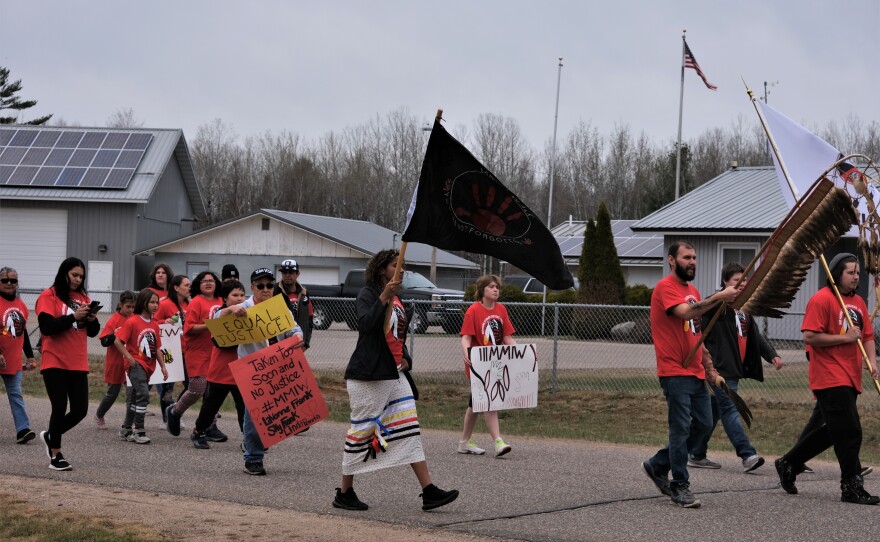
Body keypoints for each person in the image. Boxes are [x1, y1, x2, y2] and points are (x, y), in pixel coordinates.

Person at [333, 250, 458, 511]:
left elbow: (397, 336)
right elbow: (367, 326)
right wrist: (384, 296)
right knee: (362, 431)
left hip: (395, 374)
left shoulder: (398, 298)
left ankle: (429, 491)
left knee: (409, 428)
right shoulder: (367, 294)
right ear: (382, 270)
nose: (400, 269)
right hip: (369, 376)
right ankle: (344, 493)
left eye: (401, 265)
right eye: (395, 265)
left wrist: (407, 360)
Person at [774, 253, 880, 505]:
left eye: (857, 272)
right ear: (836, 275)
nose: (856, 277)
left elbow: (866, 336)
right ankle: (851, 487)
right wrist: (844, 338)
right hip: (829, 375)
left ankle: (789, 462)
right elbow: (810, 336)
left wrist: (872, 362)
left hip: (851, 374)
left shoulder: (858, 304)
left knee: (836, 431)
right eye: (850, 272)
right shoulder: (822, 299)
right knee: (851, 431)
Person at [641, 241, 739, 508]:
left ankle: (658, 464)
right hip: (674, 371)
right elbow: (685, 312)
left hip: (695, 372)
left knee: (705, 424)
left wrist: (709, 368)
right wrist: (719, 296)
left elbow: (698, 334)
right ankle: (679, 485)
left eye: (695, 257)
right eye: (687, 257)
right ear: (672, 261)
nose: (693, 261)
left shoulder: (693, 291)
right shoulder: (665, 288)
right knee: (680, 428)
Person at [689, 262, 784, 473]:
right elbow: (696, 328)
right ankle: (747, 454)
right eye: (736, 281)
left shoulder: (744, 308)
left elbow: (755, 337)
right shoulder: (716, 306)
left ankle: (696, 452)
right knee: (731, 410)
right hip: (719, 369)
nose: (741, 286)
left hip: (734, 369)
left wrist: (772, 355)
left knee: (712, 414)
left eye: (744, 282)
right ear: (725, 282)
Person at [232, 268, 303, 474]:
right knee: (253, 414)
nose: (266, 289)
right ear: (252, 287)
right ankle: (253, 459)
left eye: (269, 286)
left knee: (273, 413)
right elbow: (219, 319)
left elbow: (294, 329)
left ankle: (257, 442)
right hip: (250, 369)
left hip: (276, 369)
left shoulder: (280, 308)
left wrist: (298, 337)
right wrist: (230, 311)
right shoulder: (243, 307)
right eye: (260, 286)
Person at [36, 257, 101, 471]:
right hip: (54, 359)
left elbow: (92, 332)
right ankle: (56, 455)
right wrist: (73, 316)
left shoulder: (82, 297)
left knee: (80, 409)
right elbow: (47, 327)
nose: (77, 279)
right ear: (64, 273)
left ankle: (51, 435)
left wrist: (91, 319)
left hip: (77, 361)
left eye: (81, 276)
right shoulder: (49, 295)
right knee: (60, 406)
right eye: (74, 275)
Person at [457, 274, 515, 457]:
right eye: (491, 286)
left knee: (475, 405)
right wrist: (467, 354)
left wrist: (524, 353)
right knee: (489, 400)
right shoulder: (473, 311)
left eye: (497, 287)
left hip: (496, 362)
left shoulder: (501, 310)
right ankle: (498, 441)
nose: (496, 289)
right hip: (478, 365)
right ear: (482, 290)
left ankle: (464, 443)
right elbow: (466, 337)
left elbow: (506, 337)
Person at [166, 271, 225, 441]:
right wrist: (211, 325)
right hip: (197, 352)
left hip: (216, 352)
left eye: (211, 280)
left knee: (212, 392)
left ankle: (209, 426)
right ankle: (175, 411)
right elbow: (189, 328)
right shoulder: (196, 303)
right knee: (197, 389)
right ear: (198, 284)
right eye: (204, 281)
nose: (208, 283)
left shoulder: (221, 301)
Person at [189, 280, 248, 449]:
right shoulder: (220, 313)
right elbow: (218, 339)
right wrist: (229, 311)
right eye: (234, 295)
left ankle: (249, 439)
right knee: (210, 407)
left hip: (241, 371)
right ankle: (198, 431)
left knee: (244, 408)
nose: (239, 298)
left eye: (242, 295)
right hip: (221, 371)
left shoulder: (248, 313)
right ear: (225, 298)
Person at [114, 289, 169, 444]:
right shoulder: (132, 321)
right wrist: (130, 358)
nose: (155, 305)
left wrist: (163, 366)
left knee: (133, 398)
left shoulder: (155, 325)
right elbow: (117, 341)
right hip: (136, 364)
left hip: (148, 366)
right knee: (143, 394)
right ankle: (139, 430)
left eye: (157, 302)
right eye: (152, 302)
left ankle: (126, 429)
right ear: (143, 302)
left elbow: (157, 348)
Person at [0, 266, 37, 444]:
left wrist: (30, 356)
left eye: (13, 280)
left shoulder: (21, 305)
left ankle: (23, 430)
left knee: (16, 395)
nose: (9, 283)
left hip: (12, 360)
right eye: (5, 280)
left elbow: (22, 333)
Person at [95, 291, 136, 428]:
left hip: (131, 361)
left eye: (133, 307)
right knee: (112, 393)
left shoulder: (134, 318)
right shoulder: (114, 319)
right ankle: (99, 414)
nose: (131, 310)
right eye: (128, 307)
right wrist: (113, 334)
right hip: (116, 362)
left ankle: (129, 421)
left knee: (132, 393)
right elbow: (104, 341)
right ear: (121, 305)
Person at [155, 274, 191, 427]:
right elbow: (153, 322)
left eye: (190, 285)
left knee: (191, 385)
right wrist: (165, 321)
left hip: (187, 350)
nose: (190, 288)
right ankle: (166, 417)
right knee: (168, 386)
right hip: (169, 350)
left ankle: (175, 411)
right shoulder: (165, 304)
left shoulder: (190, 305)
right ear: (176, 288)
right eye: (186, 285)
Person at [278, 258, 313, 349]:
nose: (287, 275)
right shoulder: (274, 292)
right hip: (279, 347)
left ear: (298, 274)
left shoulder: (304, 293)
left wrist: (306, 342)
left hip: (299, 344)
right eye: (284, 272)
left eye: (291, 272)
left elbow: (309, 318)